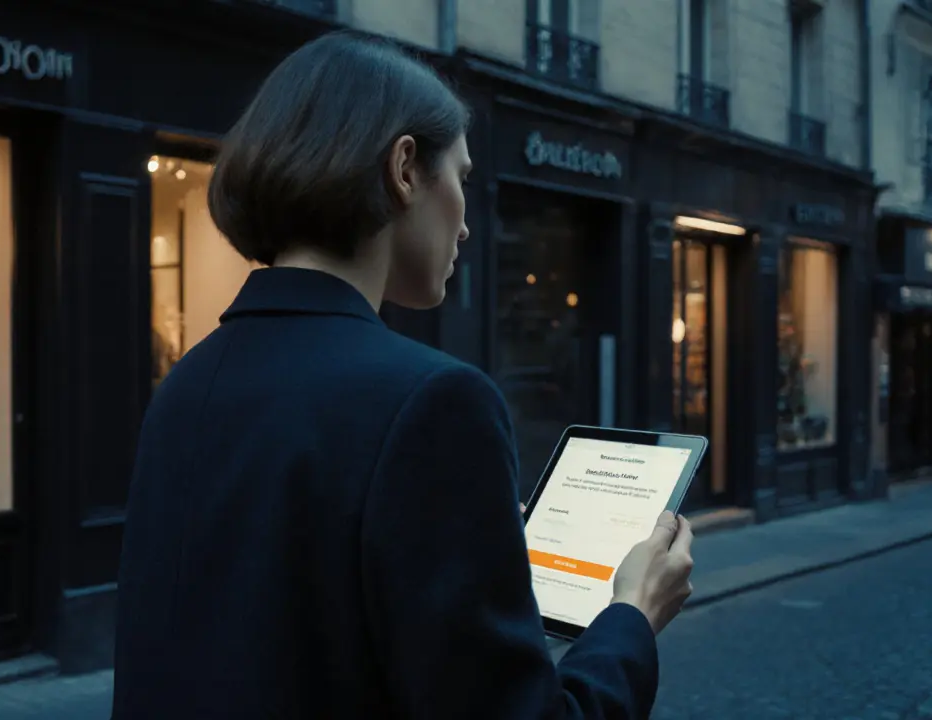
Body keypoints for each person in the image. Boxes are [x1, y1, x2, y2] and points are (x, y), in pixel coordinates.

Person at [113, 32, 695, 719]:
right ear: (406, 170)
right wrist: (631, 615)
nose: (468, 226)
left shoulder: (185, 385)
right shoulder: (433, 402)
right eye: (464, 179)